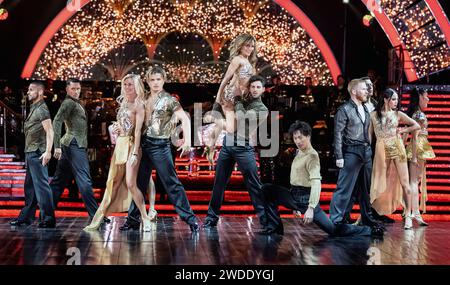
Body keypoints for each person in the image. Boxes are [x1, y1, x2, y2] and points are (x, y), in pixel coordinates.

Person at [261, 121, 379, 237]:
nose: (297, 141)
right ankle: (274, 228)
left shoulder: (312, 156)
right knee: (267, 190)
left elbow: (316, 183)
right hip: (294, 195)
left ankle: (368, 230)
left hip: (306, 199)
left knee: (333, 230)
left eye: (300, 137)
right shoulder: (299, 152)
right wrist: (293, 206)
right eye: (295, 138)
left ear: (308, 136)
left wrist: (311, 208)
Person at [84, 74, 157, 231]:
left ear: (137, 86)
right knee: (114, 182)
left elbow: (137, 132)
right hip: (120, 145)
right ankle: (99, 218)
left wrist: (136, 153)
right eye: (125, 84)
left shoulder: (139, 105)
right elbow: (123, 125)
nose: (127, 87)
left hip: (132, 145)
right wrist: (117, 128)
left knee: (131, 183)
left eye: (130, 84)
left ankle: (145, 218)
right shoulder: (123, 103)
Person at [203, 75, 269, 229]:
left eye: (258, 87)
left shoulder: (262, 109)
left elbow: (241, 117)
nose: (255, 89)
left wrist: (238, 99)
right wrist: (212, 144)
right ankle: (211, 218)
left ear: (263, 90)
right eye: (252, 87)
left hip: (243, 147)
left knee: (254, 185)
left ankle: (267, 221)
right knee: (219, 184)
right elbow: (229, 119)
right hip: (228, 145)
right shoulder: (243, 101)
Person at [139, 66, 199, 232]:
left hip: (160, 145)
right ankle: (132, 219)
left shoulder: (169, 100)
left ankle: (190, 219)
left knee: (172, 183)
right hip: (143, 144)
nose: (156, 83)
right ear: (148, 81)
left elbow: (185, 120)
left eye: (159, 79)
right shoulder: (143, 98)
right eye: (152, 80)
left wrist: (187, 139)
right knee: (139, 184)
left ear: (163, 80)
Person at [329, 79, 382, 231]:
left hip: (366, 151)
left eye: (367, 89)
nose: (367, 91)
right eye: (363, 89)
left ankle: (367, 217)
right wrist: (339, 156)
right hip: (352, 150)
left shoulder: (365, 108)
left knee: (365, 188)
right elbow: (337, 134)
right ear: (354, 91)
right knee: (345, 187)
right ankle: (336, 219)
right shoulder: (344, 109)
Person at [51, 78, 101, 221]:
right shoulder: (68, 103)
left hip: (70, 144)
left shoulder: (75, 103)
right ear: (67, 89)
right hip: (73, 144)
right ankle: (96, 216)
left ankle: (46, 214)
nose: (76, 91)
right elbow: (57, 121)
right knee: (84, 180)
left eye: (78, 89)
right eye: (73, 89)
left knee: (58, 183)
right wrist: (57, 146)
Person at [370, 88, 420, 229]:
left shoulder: (398, 114)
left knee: (405, 182)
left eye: (397, 99)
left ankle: (408, 215)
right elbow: (369, 136)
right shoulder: (373, 115)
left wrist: (402, 130)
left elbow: (415, 125)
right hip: (381, 150)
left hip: (397, 148)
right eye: (393, 99)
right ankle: (368, 213)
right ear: (385, 99)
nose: (396, 102)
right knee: (378, 181)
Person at [204, 33, 257, 163]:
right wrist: (218, 98)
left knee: (233, 128)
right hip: (230, 96)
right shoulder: (237, 60)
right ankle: (212, 126)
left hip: (240, 99)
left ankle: (211, 143)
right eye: (247, 45)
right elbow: (226, 79)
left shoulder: (250, 63)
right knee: (231, 128)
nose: (250, 48)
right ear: (240, 46)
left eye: (252, 46)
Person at [10, 82, 56, 228]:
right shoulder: (34, 108)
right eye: (28, 90)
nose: (28, 92)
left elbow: (50, 130)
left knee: (41, 186)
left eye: (31, 90)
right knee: (30, 187)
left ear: (40, 92)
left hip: (38, 153)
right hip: (31, 152)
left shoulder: (42, 109)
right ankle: (26, 217)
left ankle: (48, 218)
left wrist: (48, 151)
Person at [405, 88, 434, 226]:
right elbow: (415, 137)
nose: (428, 99)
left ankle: (413, 213)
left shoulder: (417, 114)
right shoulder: (419, 115)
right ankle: (411, 214)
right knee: (413, 182)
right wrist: (415, 156)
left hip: (419, 148)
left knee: (415, 182)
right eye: (426, 96)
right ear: (421, 97)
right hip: (418, 149)